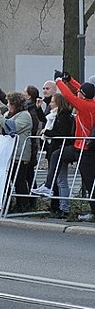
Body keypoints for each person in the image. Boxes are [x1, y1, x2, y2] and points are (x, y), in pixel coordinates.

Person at [54, 76, 95, 221]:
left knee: (89, 181)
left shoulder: (84, 105)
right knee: (57, 155)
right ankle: (47, 185)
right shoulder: (89, 101)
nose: (78, 92)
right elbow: (80, 89)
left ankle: (94, 212)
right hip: (79, 147)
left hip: (87, 149)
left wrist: (58, 81)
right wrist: (70, 80)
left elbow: (68, 95)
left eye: (80, 92)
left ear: (82, 95)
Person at [32, 92, 75, 218]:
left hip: (60, 149)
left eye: (52, 102)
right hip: (55, 150)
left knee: (61, 180)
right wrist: (39, 109)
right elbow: (45, 119)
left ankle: (64, 208)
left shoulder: (63, 117)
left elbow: (60, 133)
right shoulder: (55, 115)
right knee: (60, 179)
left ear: (58, 103)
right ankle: (60, 206)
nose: (50, 104)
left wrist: (47, 132)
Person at [0, 92, 34, 211]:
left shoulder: (25, 115)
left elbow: (12, 128)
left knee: (19, 180)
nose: (7, 105)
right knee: (6, 179)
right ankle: (7, 203)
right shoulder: (7, 114)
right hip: (8, 154)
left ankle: (23, 205)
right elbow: (1, 129)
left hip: (19, 153)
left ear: (15, 104)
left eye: (9, 103)